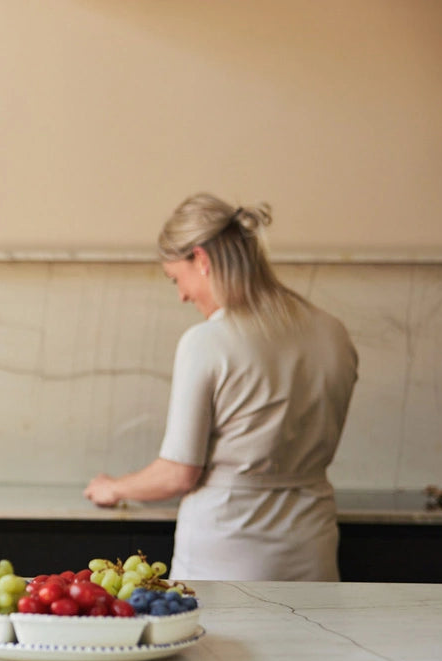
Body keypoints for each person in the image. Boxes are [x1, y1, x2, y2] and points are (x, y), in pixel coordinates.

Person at [84, 193, 357, 581]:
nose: (180, 295)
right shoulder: (333, 333)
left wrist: (115, 487)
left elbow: (178, 474)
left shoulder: (207, 341)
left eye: (177, 278)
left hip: (226, 555)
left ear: (202, 259)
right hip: (313, 548)